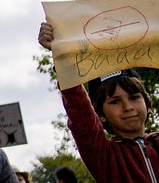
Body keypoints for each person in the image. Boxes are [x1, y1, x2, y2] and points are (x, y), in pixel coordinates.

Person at [39, 21, 159, 182]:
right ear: (100, 115)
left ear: (147, 102)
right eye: (115, 101)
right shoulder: (103, 155)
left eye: (134, 97)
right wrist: (60, 55)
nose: (128, 107)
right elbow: (80, 111)